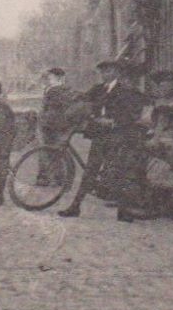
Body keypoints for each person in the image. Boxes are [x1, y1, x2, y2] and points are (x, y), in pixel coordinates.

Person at [59, 58, 146, 219]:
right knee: (90, 170)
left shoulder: (127, 91)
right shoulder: (98, 89)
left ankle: (123, 211)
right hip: (100, 135)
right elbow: (83, 98)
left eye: (109, 71)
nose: (105, 74)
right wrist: (71, 96)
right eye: (103, 71)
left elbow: (133, 113)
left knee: (117, 171)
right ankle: (75, 206)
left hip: (118, 135)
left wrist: (114, 122)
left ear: (117, 73)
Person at [138, 72, 173, 220]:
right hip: (157, 135)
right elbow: (150, 122)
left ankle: (163, 205)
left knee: (160, 157)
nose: (163, 86)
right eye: (160, 83)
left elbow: (164, 124)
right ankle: (149, 201)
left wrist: (156, 137)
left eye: (167, 83)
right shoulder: (156, 103)